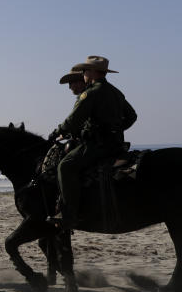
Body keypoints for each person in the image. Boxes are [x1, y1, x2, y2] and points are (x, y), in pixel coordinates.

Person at [48, 56, 137, 231]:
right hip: (116, 144)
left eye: (85, 71)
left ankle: (69, 216)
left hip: (97, 145)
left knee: (65, 167)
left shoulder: (91, 93)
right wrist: (116, 129)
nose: (83, 74)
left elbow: (73, 121)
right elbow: (132, 116)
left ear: (94, 72)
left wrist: (57, 132)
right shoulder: (116, 92)